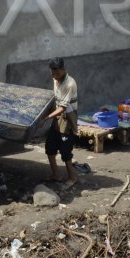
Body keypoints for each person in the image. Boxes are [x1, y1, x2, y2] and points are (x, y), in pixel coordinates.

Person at [44, 58, 78, 187]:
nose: (55, 76)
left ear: (64, 70)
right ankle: (56, 174)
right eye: (53, 73)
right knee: (50, 147)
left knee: (65, 151)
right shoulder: (55, 79)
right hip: (57, 118)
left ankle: (73, 177)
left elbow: (63, 108)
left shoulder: (70, 84)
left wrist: (46, 118)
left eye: (57, 73)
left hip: (68, 118)